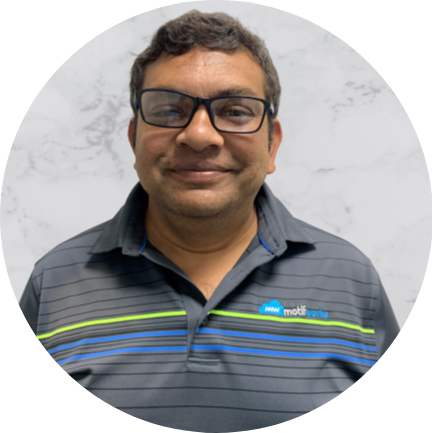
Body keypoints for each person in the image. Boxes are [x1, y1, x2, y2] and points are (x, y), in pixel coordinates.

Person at [19, 10, 399, 430]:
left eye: (235, 111)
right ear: (133, 140)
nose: (199, 136)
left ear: (272, 145)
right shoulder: (52, 284)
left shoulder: (351, 280)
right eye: (168, 110)